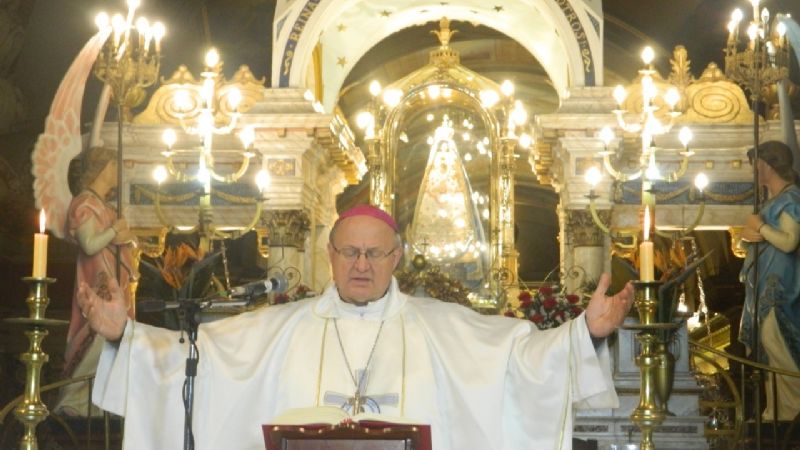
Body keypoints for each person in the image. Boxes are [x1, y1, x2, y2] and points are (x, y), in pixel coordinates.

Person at [79, 204, 633, 449]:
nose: (361, 265)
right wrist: (124, 335)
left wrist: (586, 332)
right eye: (349, 252)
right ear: (330, 254)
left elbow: (521, 361)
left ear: (397, 257)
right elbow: (192, 360)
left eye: (374, 253)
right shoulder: (278, 328)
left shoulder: (446, 328)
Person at [55, 146, 137, 416]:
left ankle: (101, 406)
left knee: (112, 344)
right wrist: (114, 230)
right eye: (113, 165)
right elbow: (89, 244)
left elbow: (116, 241)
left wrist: (124, 237)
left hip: (114, 285)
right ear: (99, 169)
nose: (117, 171)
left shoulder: (105, 206)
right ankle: (74, 404)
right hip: (97, 283)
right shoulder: (85, 204)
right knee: (95, 339)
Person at [739, 140, 800, 421]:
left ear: (769, 165)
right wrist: (748, 236)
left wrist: (761, 226)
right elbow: (761, 241)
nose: (753, 170)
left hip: (781, 285)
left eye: (756, 164)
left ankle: (792, 411)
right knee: (767, 350)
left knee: (777, 342)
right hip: (764, 282)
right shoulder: (770, 203)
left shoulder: (790, 199)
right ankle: (775, 412)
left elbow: (789, 242)